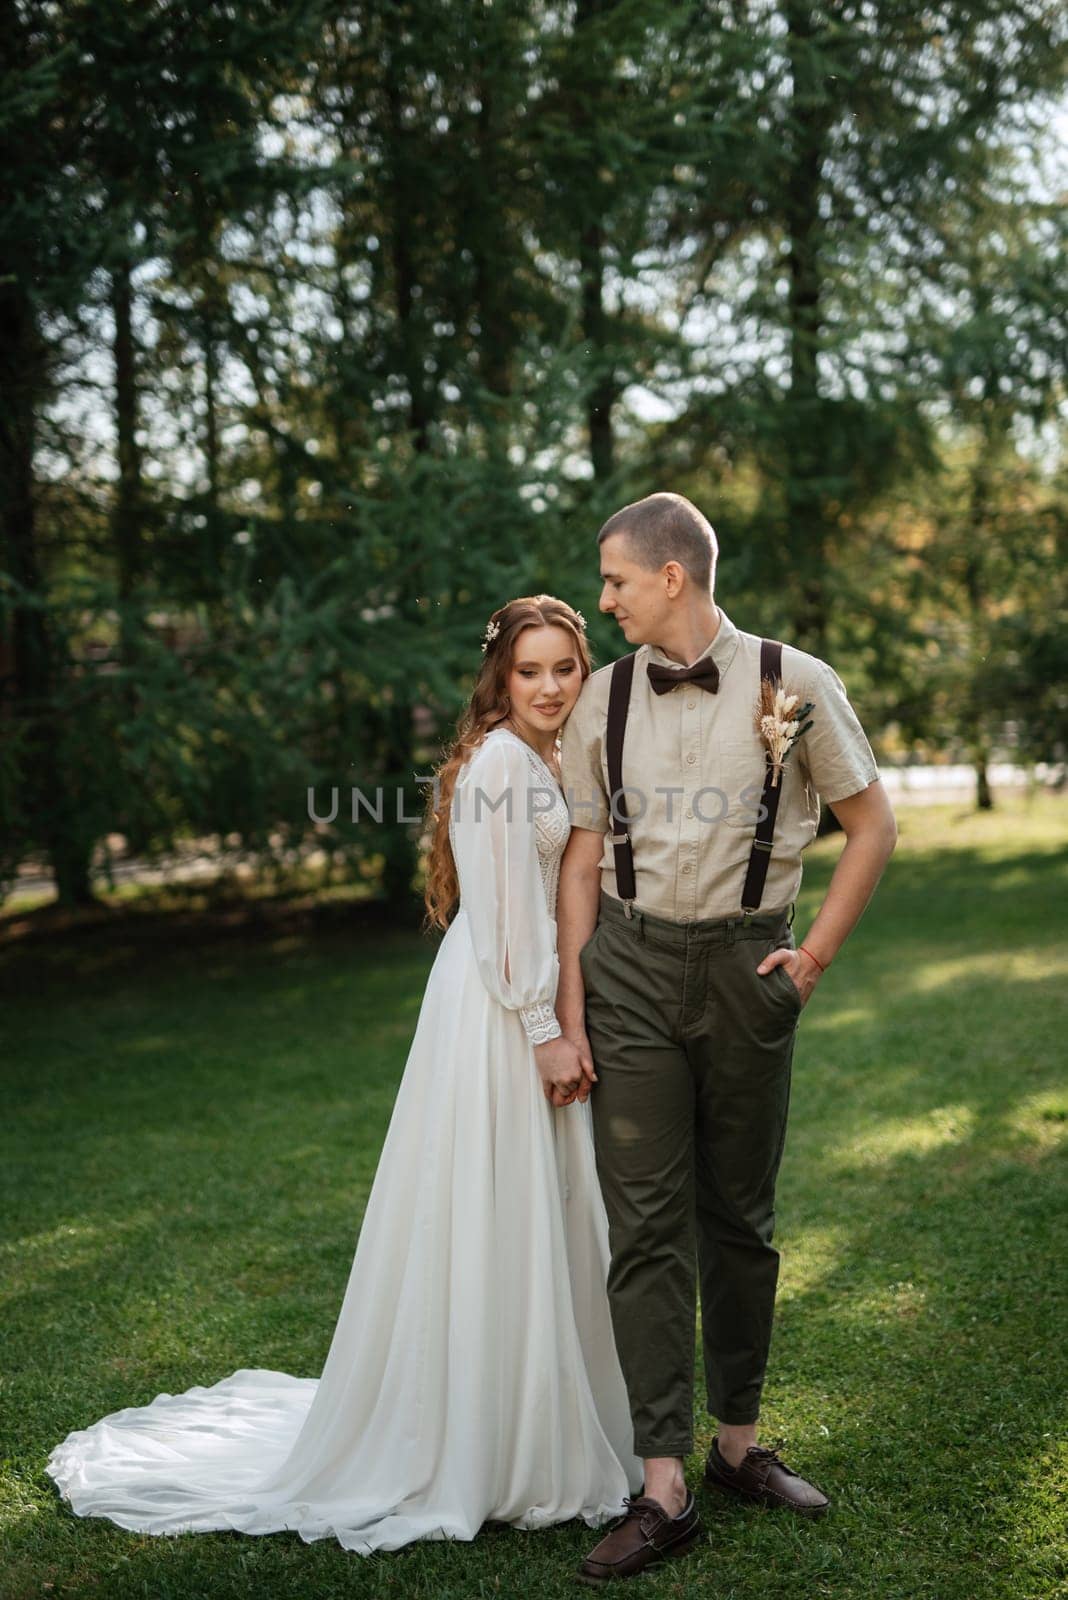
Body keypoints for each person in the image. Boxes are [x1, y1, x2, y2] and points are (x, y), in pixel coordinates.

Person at [45, 594, 643, 1555]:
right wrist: (543, 1026)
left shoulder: (551, 757)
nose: (548, 687)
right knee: (496, 1205)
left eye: (564, 669)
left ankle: (532, 1421)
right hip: (498, 1010)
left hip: (517, 997)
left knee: (538, 1209)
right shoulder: (498, 762)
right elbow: (498, 914)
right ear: (500, 677)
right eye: (529, 671)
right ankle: (481, 1440)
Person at [556, 493, 898, 1585]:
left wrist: (814, 958)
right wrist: (572, 1001)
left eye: (614, 579)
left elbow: (871, 822)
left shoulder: (798, 683)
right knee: (646, 1224)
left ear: (672, 576)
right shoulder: (600, 699)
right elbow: (575, 857)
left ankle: (739, 1443)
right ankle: (664, 1483)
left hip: (752, 971)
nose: (601, 599)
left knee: (740, 1218)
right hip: (632, 971)